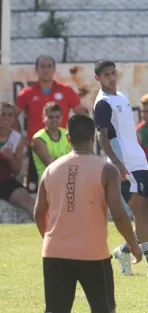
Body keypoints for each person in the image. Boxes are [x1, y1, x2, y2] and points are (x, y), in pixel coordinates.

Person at [33, 114, 142, 313]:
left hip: (54, 251)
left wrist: (50, 238)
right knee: (106, 311)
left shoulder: (51, 169)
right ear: (93, 138)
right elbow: (118, 213)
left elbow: (38, 213)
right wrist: (133, 244)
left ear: (68, 138)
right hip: (93, 254)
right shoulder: (107, 170)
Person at [93, 60, 148, 279]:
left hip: (139, 161)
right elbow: (102, 137)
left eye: (113, 73)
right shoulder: (102, 103)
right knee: (139, 213)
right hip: (125, 164)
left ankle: (124, 250)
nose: (111, 77)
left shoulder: (122, 96)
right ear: (97, 78)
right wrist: (118, 165)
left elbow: (127, 132)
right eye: (106, 75)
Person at [14, 55, 86, 193]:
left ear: (54, 69)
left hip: (61, 145)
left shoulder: (66, 90)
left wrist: (75, 135)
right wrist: (19, 135)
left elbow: (81, 114)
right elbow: (12, 115)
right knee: (35, 189)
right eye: (42, 66)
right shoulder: (27, 92)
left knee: (66, 185)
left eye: (49, 66)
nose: (45, 70)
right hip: (36, 147)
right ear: (36, 69)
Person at [0, 102, 34, 219]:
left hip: (5, 180)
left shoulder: (17, 138)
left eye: (10, 115)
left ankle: (48, 234)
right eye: (2, 114)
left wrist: (9, 157)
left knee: (29, 202)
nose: (6, 118)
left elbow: (16, 170)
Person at [31, 102, 71, 179]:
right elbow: (51, 166)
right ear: (43, 117)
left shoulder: (67, 134)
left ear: (62, 117)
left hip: (67, 180)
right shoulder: (38, 138)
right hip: (48, 182)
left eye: (57, 117)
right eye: (50, 117)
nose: (54, 120)